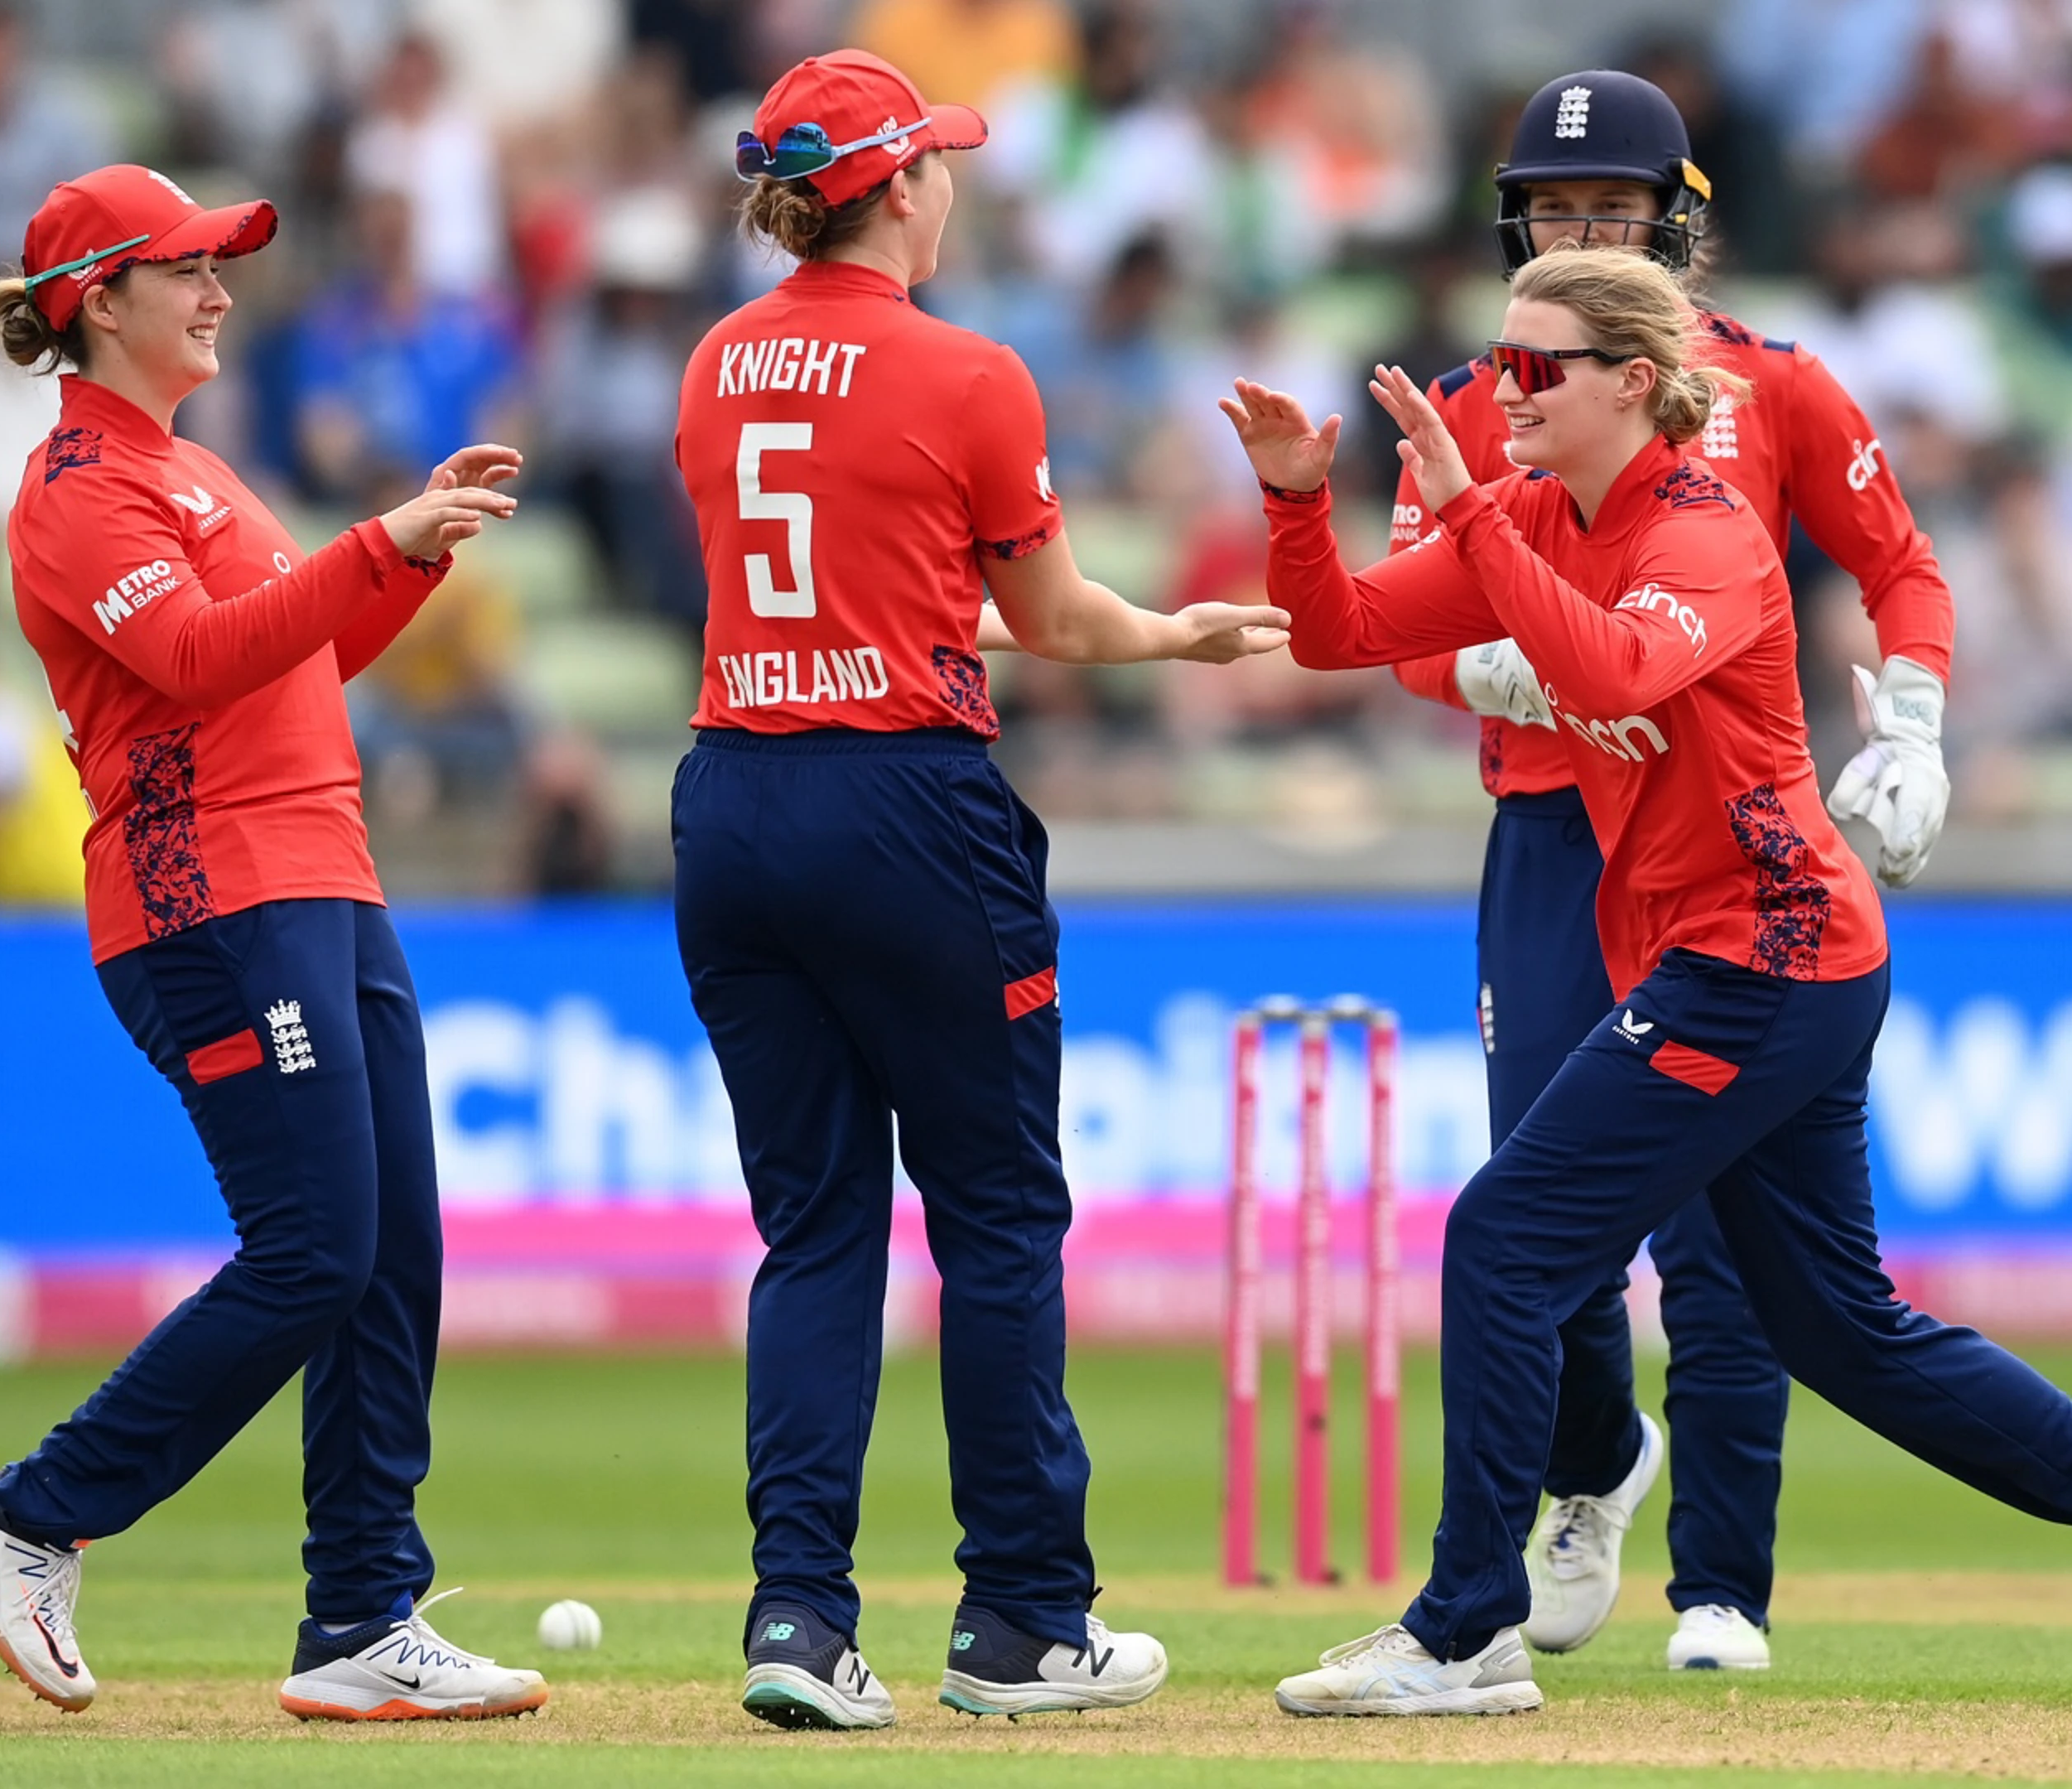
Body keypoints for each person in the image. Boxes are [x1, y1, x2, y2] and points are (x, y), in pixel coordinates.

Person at [1222, 244, 2072, 1718]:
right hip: (1757, 957)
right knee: (1841, 1327)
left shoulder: (1704, 528)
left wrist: (1465, 508)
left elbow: (1601, 676)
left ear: (1634, 386)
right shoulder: (1531, 509)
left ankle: (1465, 1630)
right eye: (1500, 359)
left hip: (1766, 949)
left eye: (1539, 368)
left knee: (1504, 1241)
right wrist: (1290, 497)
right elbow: (1337, 632)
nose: (1503, 389)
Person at [670, 50, 1289, 1731]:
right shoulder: (969, 375)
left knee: (814, 1234)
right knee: (1000, 1221)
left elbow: (858, 594)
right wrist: (1175, 631)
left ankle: (796, 1622)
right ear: (890, 189)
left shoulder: (718, 363)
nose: (952, 186)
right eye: (935, 164)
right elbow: (1064, 618)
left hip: (734, 801)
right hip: (905, 812)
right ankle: (1024, 1620)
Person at [0, 164, 540, 1721]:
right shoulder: (77, 489)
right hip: (209, 899)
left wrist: (407, 555)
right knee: (318, 1247)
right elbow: (198, 662)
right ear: (95, 302)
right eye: (187, 268)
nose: (218, 292)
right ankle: (30, 1512)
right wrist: (373, 534)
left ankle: (360, 1621)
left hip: (320, 875)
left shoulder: (197, 476)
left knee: (392, 1253)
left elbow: (303, 664)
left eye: (221, 266)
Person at [1385, 66, 1955, 1674]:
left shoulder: (1774, 388)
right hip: (1553, 828)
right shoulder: (1484, 390)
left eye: (1607, 215)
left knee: (1719, 1231)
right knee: (1534, 1216)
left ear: (1676, 229)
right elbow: (1406, 627)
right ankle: (1591, 1471)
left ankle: (1722, 1582)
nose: (1575, 235)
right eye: (1551, 215)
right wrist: (1489, 677)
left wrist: (1909, 726)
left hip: (1713, 841)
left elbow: (1900, 570)